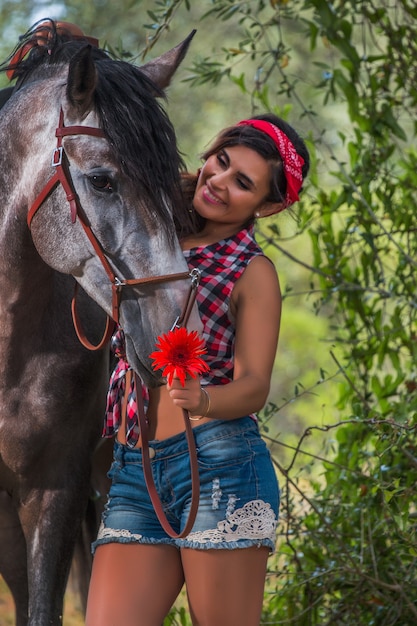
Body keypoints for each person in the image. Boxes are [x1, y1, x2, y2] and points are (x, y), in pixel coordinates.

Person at [85, 113, 309, 626]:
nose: (219, 181)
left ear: (268, 205)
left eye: (243, 183)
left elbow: (253, 387)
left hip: (219, 468)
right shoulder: (153, 231)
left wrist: (204, 399)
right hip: (133, 468)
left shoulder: (253, 272)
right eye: (221, 162)